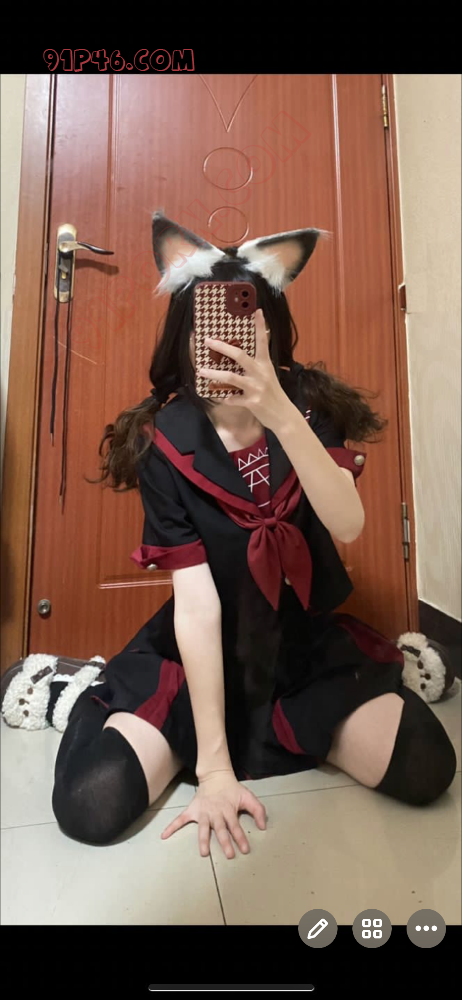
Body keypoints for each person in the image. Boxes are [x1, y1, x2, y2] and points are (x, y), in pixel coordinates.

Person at [50, 212, 456, 857]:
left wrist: (279, 413)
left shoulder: (308, 405)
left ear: (267, 325)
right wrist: (214, 771)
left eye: (242, 319)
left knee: (428, 767)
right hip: (193, 656)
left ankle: (286, 730)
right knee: (89, 804)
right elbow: (195, 603)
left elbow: (348, 525)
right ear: (185, 333)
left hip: (297, 652)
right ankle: (84, 694)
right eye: (207, 323)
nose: (224, 338)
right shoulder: (163, 438)